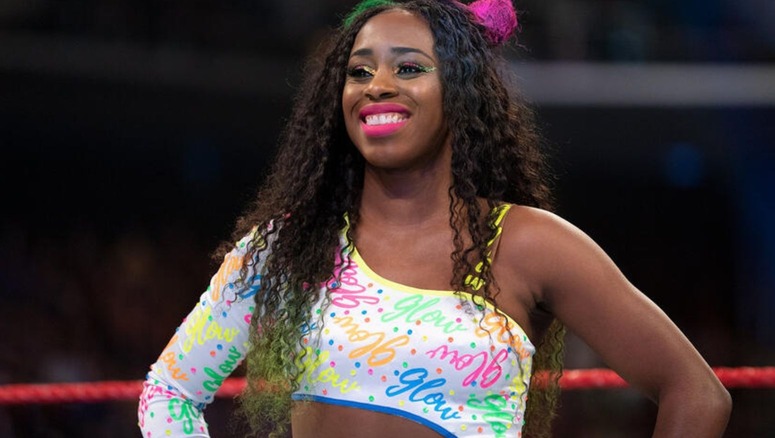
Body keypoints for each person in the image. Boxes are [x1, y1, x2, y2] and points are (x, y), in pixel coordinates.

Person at [138, 0, 732, 437]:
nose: (378, 87)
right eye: (360, 70)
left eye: (410, 68)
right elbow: (170, 392)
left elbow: (697, 393)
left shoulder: (528, 245)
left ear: (463, 92)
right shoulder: (289, 244)